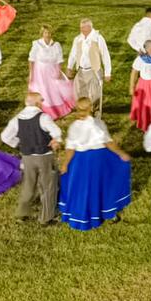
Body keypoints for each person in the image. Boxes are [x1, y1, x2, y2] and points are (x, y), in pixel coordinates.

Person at [57, 98, 133, 230]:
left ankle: (82, 215)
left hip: (79, 160)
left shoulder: (74, 126)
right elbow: (108, 143)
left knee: (83, 188)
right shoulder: (97, 124)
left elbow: (70, 148)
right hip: (98, 159)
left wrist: (65, 164)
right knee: (103, 186)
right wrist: (121, 154)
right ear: (91, 108)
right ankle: (107, 213)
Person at [0, 91, 63, 225]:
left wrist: (19, 145)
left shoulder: (17, 119)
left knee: (28, 186)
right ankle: (46, 218)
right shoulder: (43, 117)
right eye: (41, 101)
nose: (42, 103)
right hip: (44, 156)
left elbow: (5, 137)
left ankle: (21, 214)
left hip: (27, 157)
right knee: (48, 187)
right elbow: (56, 131)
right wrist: (56, 140)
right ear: (37, 103)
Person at [26, 25, 76, 119]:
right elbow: (31, 59)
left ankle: (56, 109)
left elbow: (59, 60)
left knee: (54, 90)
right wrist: (31, 73)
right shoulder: (37, 44)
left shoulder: (56, 45)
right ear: (42, 33)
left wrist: (58, 70)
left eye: (49, 33)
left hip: (52, 70)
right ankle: (43, 110)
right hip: (40, 72)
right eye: (45, 33)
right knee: (43, 89)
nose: (47, 35)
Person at [66, 19, 112, 105]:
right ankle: (83, 111)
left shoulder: (98, 38)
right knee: (78, 92)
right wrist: (69, 67)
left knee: (94, 95)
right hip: (81, 71)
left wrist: (107, 73)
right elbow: (73, 54)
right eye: (81, 27)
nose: (82, 29)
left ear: (90, 27)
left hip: (94, 70)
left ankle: (94, 112)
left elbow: (105, 55)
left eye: (84, 27)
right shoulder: (78, 39)